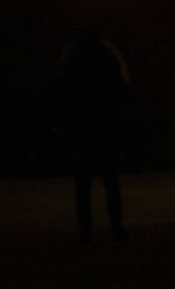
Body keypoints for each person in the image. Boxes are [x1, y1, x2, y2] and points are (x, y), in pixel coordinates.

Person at [56, 29, 130, 244]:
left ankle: (86, 232)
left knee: (83, 184)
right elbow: (122, 88)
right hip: (104, 129)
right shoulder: (108, 53)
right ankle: (116, 228)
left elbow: (60, 90)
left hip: (83, 130)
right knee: (110, 182)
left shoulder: (72, 54)